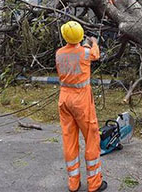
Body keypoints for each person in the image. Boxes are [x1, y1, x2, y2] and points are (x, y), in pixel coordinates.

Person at [56, 21, 107, 192]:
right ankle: (94, 183)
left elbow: (73, 54)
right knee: (91, 138)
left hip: (64, 99)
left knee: (69, 140)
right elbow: (95, 54)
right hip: (81, 101)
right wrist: (94, 41)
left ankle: (73, 183)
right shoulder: (86, 53)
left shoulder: (59, 53)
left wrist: (83, 45)